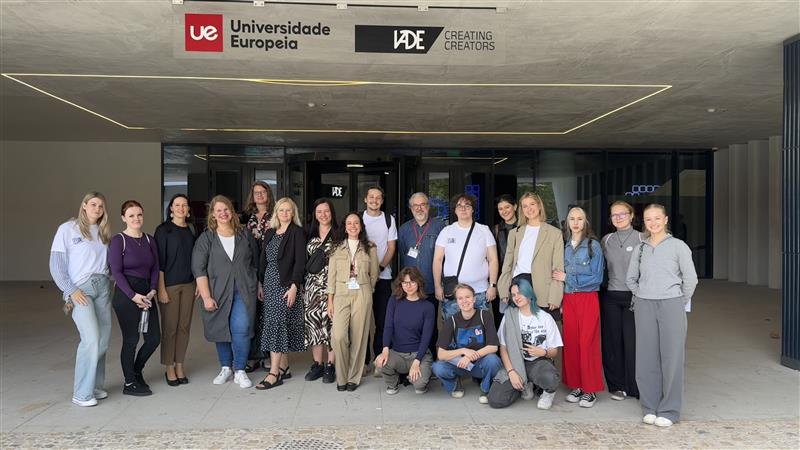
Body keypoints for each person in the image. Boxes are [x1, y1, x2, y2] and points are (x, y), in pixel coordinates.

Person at [626, 203, 698, 428]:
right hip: (644, 304)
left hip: (672, 304)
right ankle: (650, 406)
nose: (653, 223)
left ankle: (670, 409)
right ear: (643, 222)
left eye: (657, 218)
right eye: (648, 219)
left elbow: (691, 280)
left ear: (666, 220)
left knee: (672, 357)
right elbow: (631, 279)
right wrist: (643, 294)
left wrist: (678, 300)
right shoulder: (641, 249)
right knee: (646, 356)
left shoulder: (679, 246)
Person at [49, 192, 113, 407]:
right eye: (93, 204)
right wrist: (70, 289)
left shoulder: (103, 232)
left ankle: (94, 385)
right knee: (91, 338)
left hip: (103, 287)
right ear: (84, 206)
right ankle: (81, 393)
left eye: (101, 206)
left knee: (103, 339)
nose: (97, 209)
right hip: (81, 290)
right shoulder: (67, 229)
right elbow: (56, 265)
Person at [192, 195, 260, 389]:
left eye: (226, 209)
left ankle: (239, 369)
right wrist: (206, 296)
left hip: (243, 290)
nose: (223, 213)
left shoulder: (244, 234)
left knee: (241, 327)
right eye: (218, 210)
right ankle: (225, 367)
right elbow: (199, 269)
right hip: (217, 290)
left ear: (232, 211)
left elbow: (255, 263)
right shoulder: (207, 238)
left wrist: (259, 285)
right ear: (213, 214)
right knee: (220, 327)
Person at [552, 206, 605, 408]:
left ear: (585, 222)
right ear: (567, 223)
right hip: (569, 299)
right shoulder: (564, 246)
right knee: (572, 342)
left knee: (587, 343)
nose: (575, 222)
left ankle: (590, 389)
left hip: (587, 298)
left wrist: (568, 278)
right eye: (572, 219)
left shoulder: (593, 246)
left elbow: (596, 278)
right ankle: (577, 385)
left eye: (580, 219)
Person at [108, 200, 161, 397]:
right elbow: (116, 272)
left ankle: (136, 371)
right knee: (131, 339)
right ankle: (129, 382)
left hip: (147, 294)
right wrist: (133, 295)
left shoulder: (149, 240)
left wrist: (153, 290)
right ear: (124, 218)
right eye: (131, 215)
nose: (136, 218)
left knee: (154, 338)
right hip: (126, 295)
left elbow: (155, 267)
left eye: (139, 214)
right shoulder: (118, 240)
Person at [255, 197, 307, 390]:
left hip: (286, 283)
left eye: (288, 210)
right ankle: (284, 366)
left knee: (276, 324)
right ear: (276, 213)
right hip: (268, 282)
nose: (285, 213)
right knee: (273, 322)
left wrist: (295, 286)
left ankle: (274, 373)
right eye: (281, 210)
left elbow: (300, 262)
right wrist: (260, 283)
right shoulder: (269, 233)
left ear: (293, 213)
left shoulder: (297, 233)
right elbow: (263, 260)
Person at [487, 278, 562, 410]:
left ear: (528, 293)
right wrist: (511, 372)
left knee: (551, 378)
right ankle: (523, 385)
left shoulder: (545, 318)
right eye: (514, 295)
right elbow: (503, 348)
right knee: (495, 400)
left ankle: (547, 393)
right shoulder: (509, 315)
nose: (516, 297)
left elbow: (554, 351)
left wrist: (543, 352)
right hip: (515, 362)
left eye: (519, 293)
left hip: (538, 362)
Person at [327, 212, 380, 391]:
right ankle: (341, 376)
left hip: (362, 293)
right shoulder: (336, 247)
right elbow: (331, 277)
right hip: (341, 293)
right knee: (339, 336)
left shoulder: (370, 248)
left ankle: (353, 378)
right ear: (345, 226)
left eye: (356, 223)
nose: (352, 226)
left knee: (359, 337)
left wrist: (367, 290)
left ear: (361, 226)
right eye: (349, 223)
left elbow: (374, 274)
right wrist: (330, 301)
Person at [498, 192, 564, 321]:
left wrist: (555, 296)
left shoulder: (554, 233)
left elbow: (558, 267)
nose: (529, 209)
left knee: (545, 335)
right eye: (525, 206)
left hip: (544, 289)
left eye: (532, 204)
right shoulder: (514, 233)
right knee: (520, 333)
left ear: (539, 206)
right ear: (521, 210)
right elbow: (508, 264)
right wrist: (504, 289)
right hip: (519, 286)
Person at [600, 201, 642, 401]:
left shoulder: (643, 238)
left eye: (622, 214)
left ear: (631, 215)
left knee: (633, 342)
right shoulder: (606, 240)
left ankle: (635, 385)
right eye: (614, 215)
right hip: (611, 296)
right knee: (612, 342)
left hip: (634, 296)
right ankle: (617, 385)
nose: (618, 218)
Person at [431, 284, 502, 404]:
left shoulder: (484, 315)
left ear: (474, 299)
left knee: (493, 360)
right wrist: (463, 351)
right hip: (461, 364)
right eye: (460, 298)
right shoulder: (451, 321)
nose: (464, 301)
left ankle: (485, 388)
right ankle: (455, 385)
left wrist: (470, 356)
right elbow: (441, 354)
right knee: (438, 367)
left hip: (480, 363)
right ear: (457, 302)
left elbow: (493, 347)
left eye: (468, 297)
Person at [433, 193, 499, 320]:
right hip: (453, 292)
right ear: (455, 210)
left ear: (473, 209)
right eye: (459, 206)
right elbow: (437, 260)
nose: (463, 209)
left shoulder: (484, 230)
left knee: (481, 332)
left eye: (467, 205)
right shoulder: (446, 231)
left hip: (479, 292)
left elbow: (493, 259)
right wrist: (437, 286)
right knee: (452, 331)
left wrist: (493, 285)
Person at [154, 194, 197, 386]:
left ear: (188, 210)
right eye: (177, 205)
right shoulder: (163, 231)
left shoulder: (191, 229)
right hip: (169, 286)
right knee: (170, 328)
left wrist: (197, 283)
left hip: (189, 284)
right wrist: (160, 289)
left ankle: (180, 364)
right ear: (170, 208)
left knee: (184, 327)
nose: (181, 208)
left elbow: (195, 259)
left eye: (184, 205)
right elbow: (159, 263)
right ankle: (169, 367)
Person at [397, 192, 445, 357]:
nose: (419, 208)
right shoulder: (403, 230)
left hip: (431, 285)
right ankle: (412, 357)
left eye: (423, 204)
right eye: (415, 205)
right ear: (411, 209)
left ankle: (430, 357)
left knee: (430, 325)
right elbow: (402, 254)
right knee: (411, 323)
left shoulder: (440, 227)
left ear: (428, 206)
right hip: (410, 287)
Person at [375, 267, 435, 395]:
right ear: (400, 284)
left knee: (419, 386)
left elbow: (426, 337)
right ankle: (393, 382)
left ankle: (416, 377)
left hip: (419, 354)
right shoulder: (394, 301)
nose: (408, 286)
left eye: (412, 282)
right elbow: (388, 327)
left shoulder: (428, 306)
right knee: (380, 362)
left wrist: (417, 361)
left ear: (419, 283)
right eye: (405, 282)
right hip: (398, 353)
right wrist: (385, 350)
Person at [361, 186, 398, 375]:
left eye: (378, 198)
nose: (374, 200)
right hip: (360, 280)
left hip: (383, 278)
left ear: (382, 201)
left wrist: (380, 268)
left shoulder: (388, 219)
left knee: (382, 321)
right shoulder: (358, 219)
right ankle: (364, 361)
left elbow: (391, 248)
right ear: (365, 199)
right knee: (362, 321)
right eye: (371, 197)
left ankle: (379, 359)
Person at [303, 198, 338, 383]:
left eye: (326, 211)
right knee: (314, 325)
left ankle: (330, 365)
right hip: (312, 288)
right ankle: (317, 364)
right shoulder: (308, 234)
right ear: (314, 215)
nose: (323, 215)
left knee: (331, 326)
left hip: (333, 288)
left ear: (332, 212)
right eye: (319, 212)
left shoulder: (339, 234)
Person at [241, 181, 274, 373]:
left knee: (268, 315)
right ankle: (253, 356)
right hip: (251, 268)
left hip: (271, 268)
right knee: (251, 314)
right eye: (256, 193)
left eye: (263, 192)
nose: (260, 195)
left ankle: (268, 355)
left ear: (268, 194)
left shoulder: (276, 215)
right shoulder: (246, 217)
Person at [492, 194, 518, 328]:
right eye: (500, 208)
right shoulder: (496, 230)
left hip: (521, 277)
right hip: (502, 278)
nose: (504, 211)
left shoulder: (525, 228)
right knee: (502, 318)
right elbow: (493, 258)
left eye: (507, 207)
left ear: (515, 206)